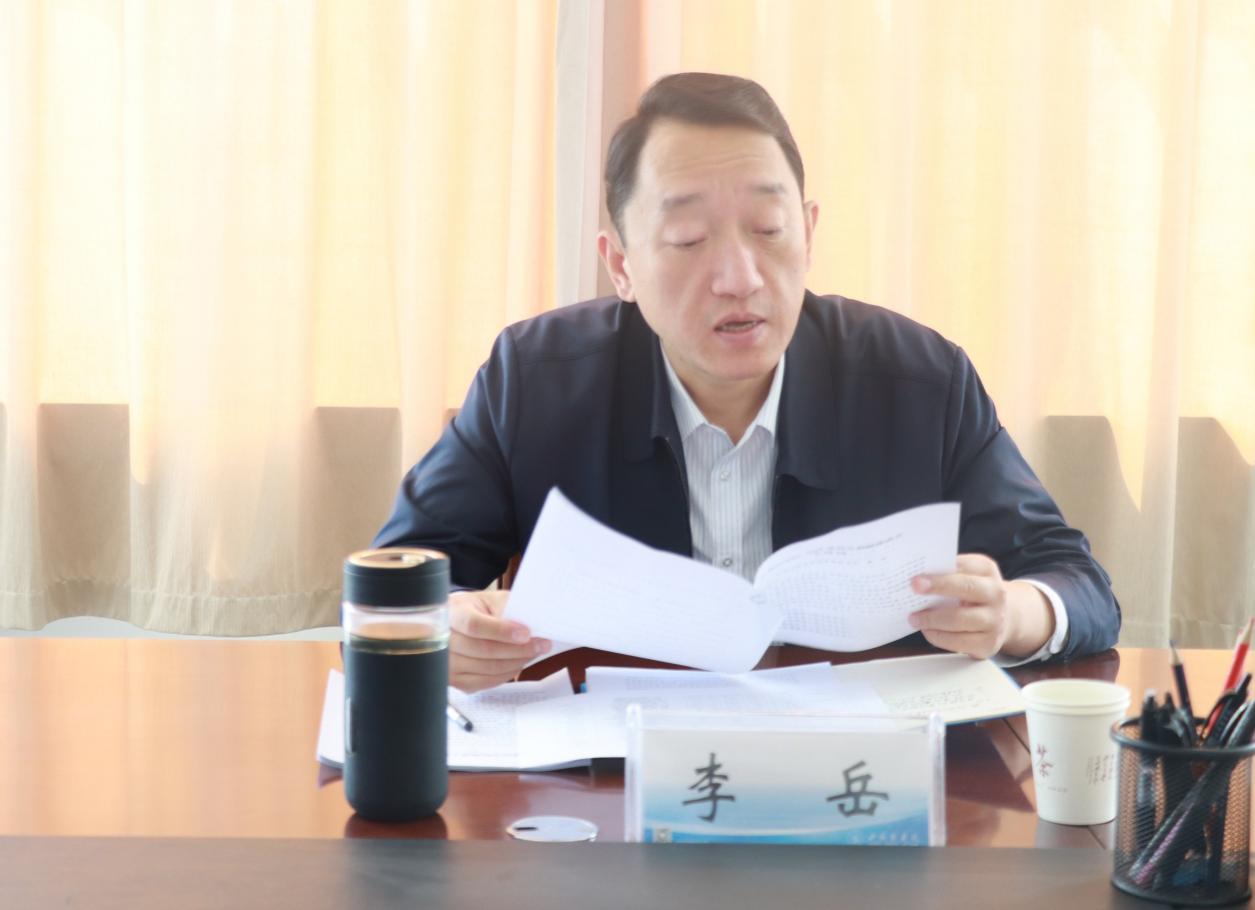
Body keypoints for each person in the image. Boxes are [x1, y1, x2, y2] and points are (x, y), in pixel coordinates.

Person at [374, 72, 1120, 692]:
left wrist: (1009, 614)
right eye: (688, 240)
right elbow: (391, 590)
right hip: (609, 781)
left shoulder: (918, 381)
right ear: (621, 265)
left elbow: (1074, 582)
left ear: (809, 231)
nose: (738, 278)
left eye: (768, 230)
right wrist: (443, 629)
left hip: (855, 781)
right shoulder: (534, 382)